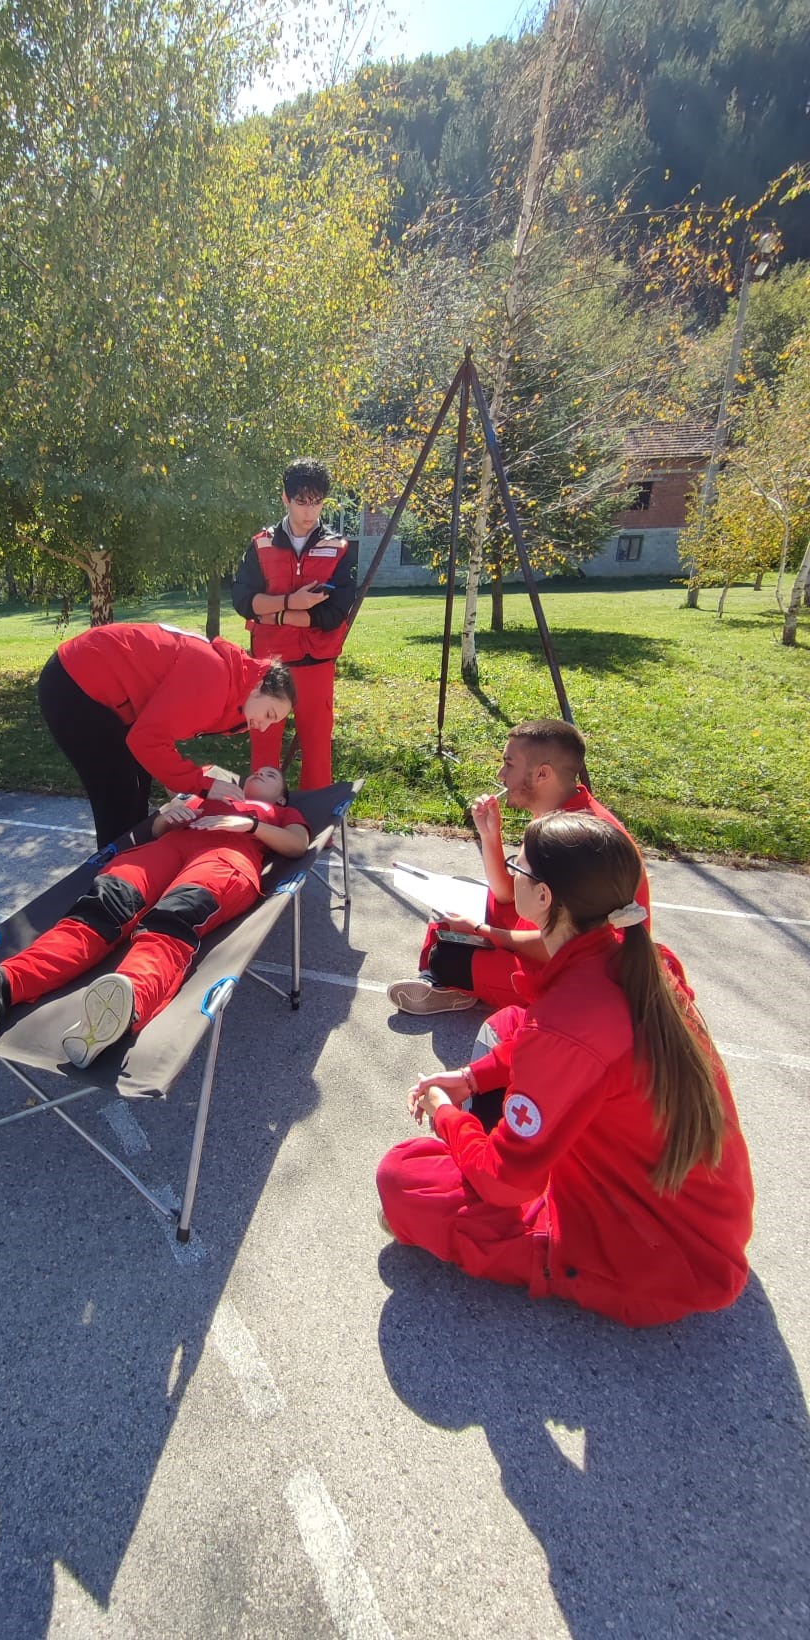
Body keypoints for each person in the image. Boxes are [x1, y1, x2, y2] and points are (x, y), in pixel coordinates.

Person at [377, 813, 753, 1327]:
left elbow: (505, 1185)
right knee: (510, 1025)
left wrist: (446, 1113)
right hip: (691, 1215)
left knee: (404, 1176)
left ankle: (499, 1234)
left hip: (654, 1256)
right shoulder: (641, 956)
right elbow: (546, 1038)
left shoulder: (568, 1023)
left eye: (518, 868)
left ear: (545, 897)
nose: (512, 875)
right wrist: (471, 1079)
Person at [0, 766, 310, 1068]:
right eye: (257, 770)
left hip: (226, 858)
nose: (262, 772)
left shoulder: (279, 812)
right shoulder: (207, 796)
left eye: (272, 775)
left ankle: (119, 1015)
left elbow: (297, 845)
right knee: (100, 910)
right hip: (169, 847)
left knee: (171, 922)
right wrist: (166, 818)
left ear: (281, 793)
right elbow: (155, 829)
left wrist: (252, 824)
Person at [389, 717, 651, 1014]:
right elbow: (506, 895)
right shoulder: (556, 813)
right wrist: (490, 835)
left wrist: (484, 931)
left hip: (581, 970)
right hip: (553, 937)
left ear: (542, 773)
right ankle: (445, 980)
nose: (501, 774)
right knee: (447, 917)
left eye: (509, 764)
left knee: (446, 957)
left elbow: (558, 945)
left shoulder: (576, 841)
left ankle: (446, 982)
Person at [37, 621, 296, 848]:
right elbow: (147, 740)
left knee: (137, 784)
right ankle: (111, 882)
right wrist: (201, 784)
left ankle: (129, 863)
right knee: (118, 793)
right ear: (259, 686)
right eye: (269, 715)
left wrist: (181, 778)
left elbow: (158, 731)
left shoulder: (232, 680)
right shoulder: (215, 681)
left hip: (95, 682)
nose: (262, 727)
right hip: (75, 682)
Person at [231, 457, 357, 790]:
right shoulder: (261, 544)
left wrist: (276, 614)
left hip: (317, 664)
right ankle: (260, 816)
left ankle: (311, 826)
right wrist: (292, 603)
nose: (309, 511)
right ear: (286, 499)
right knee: (263, 747)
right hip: (269, 665)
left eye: (316, 502)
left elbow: (334, 615)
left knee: (317, 749)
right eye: (301, 502)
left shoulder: (339, 548)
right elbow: (244, 602)